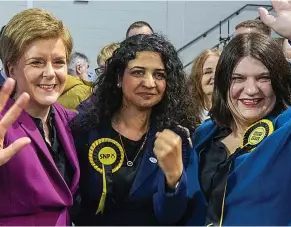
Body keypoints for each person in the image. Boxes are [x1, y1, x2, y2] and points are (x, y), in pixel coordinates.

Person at [187, 0, 291, 225]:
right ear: (224, 83)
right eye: (238, 78)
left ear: (278, 81)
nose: (251, 89)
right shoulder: (204, 136)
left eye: (263, 78)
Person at [0, 8, 80, 226]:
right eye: (37, 62)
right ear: (11, 69)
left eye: (59, 62)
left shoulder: (70, 120)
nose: (50, 72)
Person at [70, 33, 198, 225]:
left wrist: (174, 178)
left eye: (159, 75)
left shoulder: (175, 139)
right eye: (138, 72)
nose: (149, 83)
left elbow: (171, 216)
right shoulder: (86, 130)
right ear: (119, 78)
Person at [188, 48, 221, 123]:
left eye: (219, 71)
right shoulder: (189, 118)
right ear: (198, 79)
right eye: (208, 72)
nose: (214, 76)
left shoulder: (237, 114)